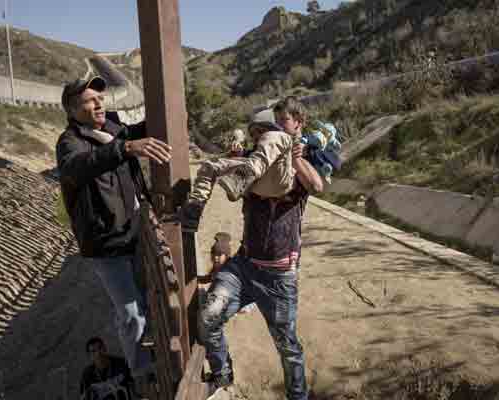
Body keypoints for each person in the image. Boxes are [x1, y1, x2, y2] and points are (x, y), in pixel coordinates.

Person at [200, 97, 324, 400]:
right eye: (266, 129)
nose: (271, 133)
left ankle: (298, 396)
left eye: (282, 124)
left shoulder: (296, 168)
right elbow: (224, 171)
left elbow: (317, 186)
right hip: (244, 265)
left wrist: (294, 157)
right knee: (209, 315)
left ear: (297, 126)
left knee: (287, 346)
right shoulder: (252, 167)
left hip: (279, 276)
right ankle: (222, 376)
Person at [55, 76, 172, 398]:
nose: (99, 104)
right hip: (106, 246)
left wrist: (170, 112)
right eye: (89, 101)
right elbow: (78, 167)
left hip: (135, 234)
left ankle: (153, 358)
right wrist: (125, 148)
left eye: (100, 98)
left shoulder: (114, 127)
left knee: (147, 304)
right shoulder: (70, 142)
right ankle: (141, 376)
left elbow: (141, 133)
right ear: (72, 110)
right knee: (132, 314)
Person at [179, 96, 336, 232]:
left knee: (277, 138)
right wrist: (235, 156)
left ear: (299, 122)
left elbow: (317, 185)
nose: (280, 125)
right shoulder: (266, 144)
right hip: (252, 243)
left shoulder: (307, 149)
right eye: (277, 121)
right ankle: (193, 211)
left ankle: (243, 176)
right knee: (210, 166)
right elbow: (257, 152)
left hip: (281, 236)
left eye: (284, 120)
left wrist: (296, 158)